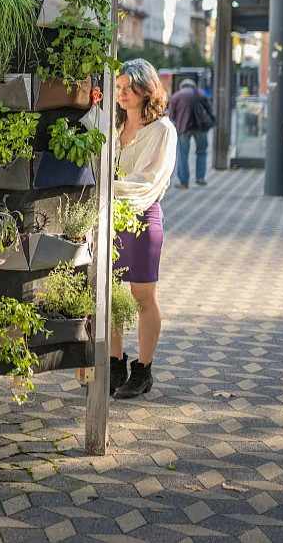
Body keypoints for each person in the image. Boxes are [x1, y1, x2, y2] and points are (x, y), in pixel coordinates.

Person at [111, 59, 178, 400]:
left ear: (145, 89)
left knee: (142, 297)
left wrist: (106, 189)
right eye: (117, 87)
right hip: (107, 217)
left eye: (126, 88)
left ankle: (143, 371)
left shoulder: (163, 130)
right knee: (108, 295)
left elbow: (148, 181)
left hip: (142, 218)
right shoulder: (112, 124)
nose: (120, 93)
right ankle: (113, 362)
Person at [165, 78, 214, 188]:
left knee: (183, 154)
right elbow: (211, 110)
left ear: (182, 86)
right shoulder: (201, 94)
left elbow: (171, 115)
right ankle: (200, 177)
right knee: (201, 152)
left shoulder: (177, 96)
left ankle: (184, 181)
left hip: (183, 128)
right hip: (201, 128)